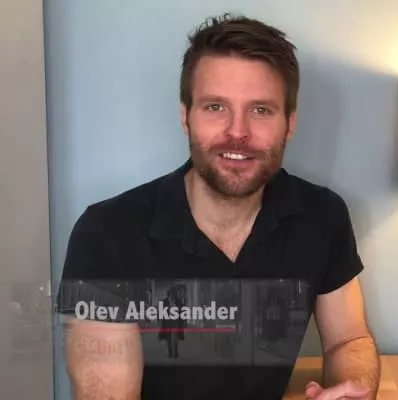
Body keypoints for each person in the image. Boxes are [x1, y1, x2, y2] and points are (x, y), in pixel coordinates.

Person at [57, 13, 380, 400]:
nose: (237, 132)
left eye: (261, 110)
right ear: (186, 116)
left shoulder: (322, 216)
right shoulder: (105, 234)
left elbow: (349, 340)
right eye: (215, 107)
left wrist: (353, 386)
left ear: (289, 123)